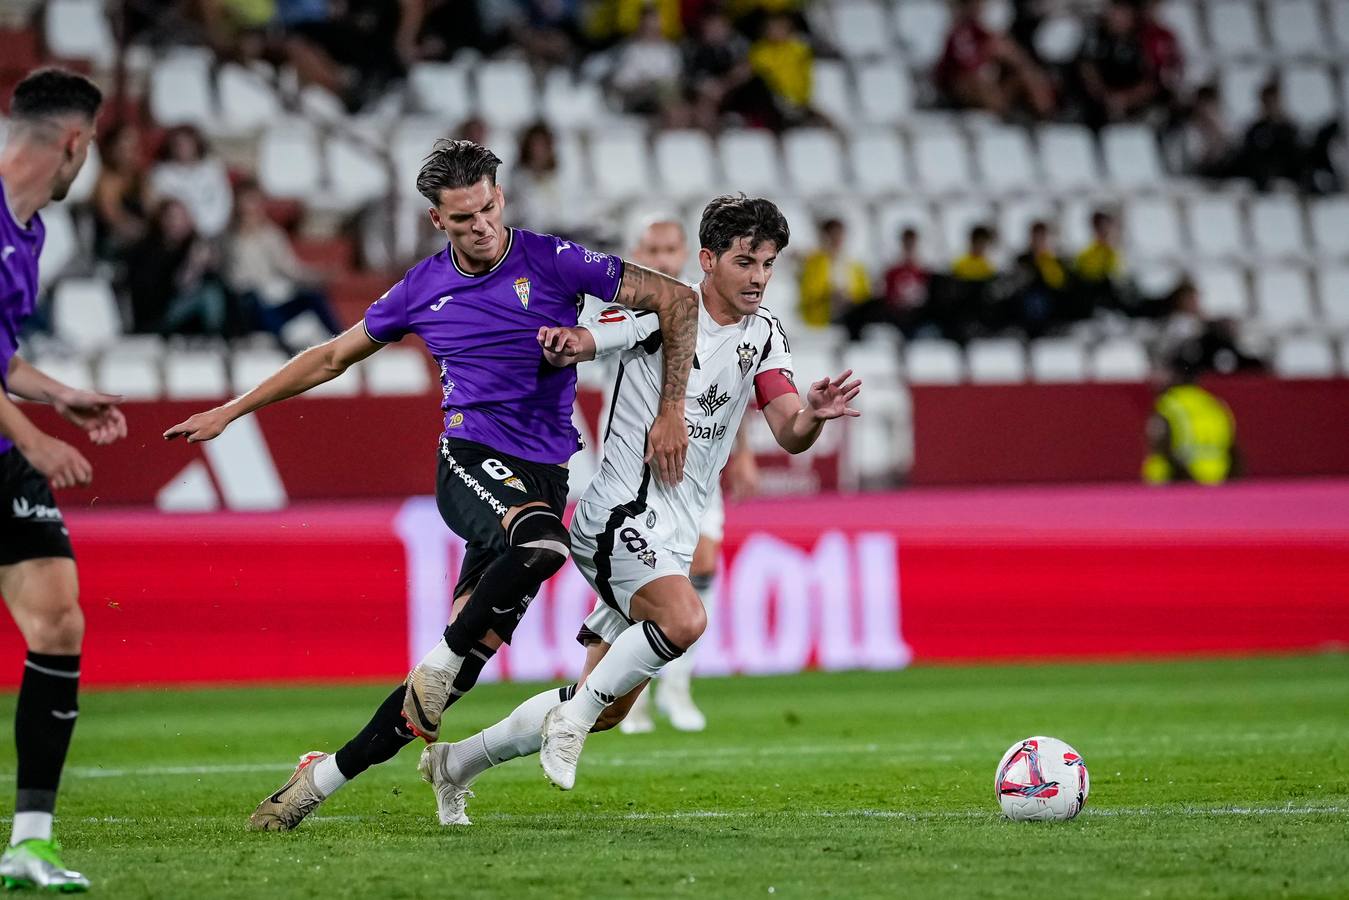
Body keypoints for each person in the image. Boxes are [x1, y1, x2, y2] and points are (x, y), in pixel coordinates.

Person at [163, 139, 700, 831]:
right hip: (471, 460)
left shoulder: (554, 260)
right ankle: (441, 662)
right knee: (541, 548)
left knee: (436, 702)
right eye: (462, 219)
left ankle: (314, 783)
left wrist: (671, 411)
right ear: (434, 221)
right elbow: (331, 356)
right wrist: (233, 410)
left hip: (542, 475)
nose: (481, 227)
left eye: (487, 210)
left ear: (499, 197)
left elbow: (676, 299)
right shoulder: (421, 288)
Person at [418, 195, 862, 822]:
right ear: (707, 261)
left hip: (671, 537)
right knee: (684, 620)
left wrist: (813, 415)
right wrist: (571, 341)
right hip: (618, 518)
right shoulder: (662, 312)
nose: (759, 277)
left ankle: (455, 764)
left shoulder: (764, 336)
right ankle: (568, 720)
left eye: (768, 263)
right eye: (744, 262)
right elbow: (597, 336)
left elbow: (788, 428)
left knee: (612, 705)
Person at [0, 68, 128, 893]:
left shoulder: (30, 229)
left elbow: (1, 354)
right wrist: (36, 441)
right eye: (95, 146)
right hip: (11, 445)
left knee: (57, 623)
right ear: (75, 143)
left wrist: (60, 396)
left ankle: (29, 845)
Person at [612, 216, 758, 735]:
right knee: (643, 579)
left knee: (702, 560)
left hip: (698, 467)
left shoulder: (706, 304)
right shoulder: (628, 304)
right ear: (639, 249)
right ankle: (636, 696)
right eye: (654, 246)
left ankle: (678, 688)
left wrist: (741, 451)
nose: (664, 255)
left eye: (671, 246)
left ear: (688, 252)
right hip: (637, 471)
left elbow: (727, 386)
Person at [226, 179, 342, 354]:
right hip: (244, 303)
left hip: (273, 300)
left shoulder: (272, 235)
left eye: (255, 202)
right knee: (254, 299)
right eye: (246, 202)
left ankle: (343, 342)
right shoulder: (228, 239)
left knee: (313, 297)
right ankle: (286, 348)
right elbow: (229, 276)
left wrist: (319, 275)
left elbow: (291, 269)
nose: (251, 208)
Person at [124, 198, 230, 337]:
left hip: (188, 319)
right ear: (161, 220)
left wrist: (208, 263)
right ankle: (215, 338)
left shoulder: (192, 245)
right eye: (172, 217)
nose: (177, 223)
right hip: (156, 315)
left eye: (182, 217)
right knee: (209, 295)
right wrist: (193, 264)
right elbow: (175, 288)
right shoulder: (148, 250)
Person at [934, 0, 1054, 120]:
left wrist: (1015, 59)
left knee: (1028, 74)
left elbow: (1015, 59)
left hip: (987, 81)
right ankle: (1003, 115)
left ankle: (1046, 116)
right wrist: (986, 54)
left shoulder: (983, 31)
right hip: (959, 83)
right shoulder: (960, 32)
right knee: (978, 82)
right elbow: (965, 66)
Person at [1142, 353, 1238, 485]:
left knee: (1156, 464)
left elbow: (1160, 442)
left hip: (1183, 477)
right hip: (1217, 475)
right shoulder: (1214, 403)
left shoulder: (1169, 404)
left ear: (1176, 376)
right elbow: (1232, 446)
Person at [1076, 0, 1158, 128]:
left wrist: (1126, 99)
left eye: (1124, 13)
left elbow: (1151, 82)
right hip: (1099, 102)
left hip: (1134, 102)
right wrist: (1105, 96)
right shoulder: (1096, 36)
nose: (1117, 18)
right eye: (1115, 12)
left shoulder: (1142, 39)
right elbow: (1087, 70)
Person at [148, 125, 233, 240]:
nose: (182, 148)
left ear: (196, 144)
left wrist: (216, 227)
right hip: (179, 238)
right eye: (177, 144)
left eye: (187, 143)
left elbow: (225, 200)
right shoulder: (162, 174)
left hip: (216, 232)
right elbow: (158, 208)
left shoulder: (212, 168)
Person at [91, 121, 151, 263]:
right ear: (111, 149)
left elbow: (152, 210)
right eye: (123, 148)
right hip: (113, 242)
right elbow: (113, 218)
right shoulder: (106, 180)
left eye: (132, 148)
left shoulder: (141, 178)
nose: (128, 153)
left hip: (141, 238)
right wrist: (145, 234)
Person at [797, 218, 869, 330]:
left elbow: (864, 294)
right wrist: (830, 294)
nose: (837, 240)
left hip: (852, 310)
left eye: (840, 235)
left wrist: (850, 296)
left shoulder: (853, 264)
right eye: (833, 235)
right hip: (825, 313)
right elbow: (809, 293)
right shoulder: (814, 263)